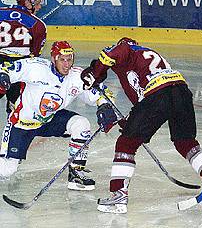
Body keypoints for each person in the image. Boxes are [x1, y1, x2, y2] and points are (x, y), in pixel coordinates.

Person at [80, 37, 202, 214]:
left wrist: (94, 73)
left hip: (159, 94)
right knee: (185, 142)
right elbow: (144, 102)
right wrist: (132, 123)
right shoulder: (143, 58)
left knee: (126, 144)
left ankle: (118, 196)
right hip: (180, 90)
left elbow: (111, 54)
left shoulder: (127, 49)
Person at [0, 41, 117, 191]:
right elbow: (7, 68)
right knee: (6, 170)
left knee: (81, 124)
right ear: (54, 59)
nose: (67, 64)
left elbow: (102, 93)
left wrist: (105, 105)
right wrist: (3, 76)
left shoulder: (77, 77)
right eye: (62, 59)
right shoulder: (36, 67)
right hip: (22, 123)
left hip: (50, 120)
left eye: (70, 59)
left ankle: (76, 173)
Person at [0, 0, 47, 113]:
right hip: (20, 67)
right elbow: (34, 56)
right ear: (27, 2)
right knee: (17, 108)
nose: (39, 6)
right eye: (37, 3)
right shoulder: (38, 25)